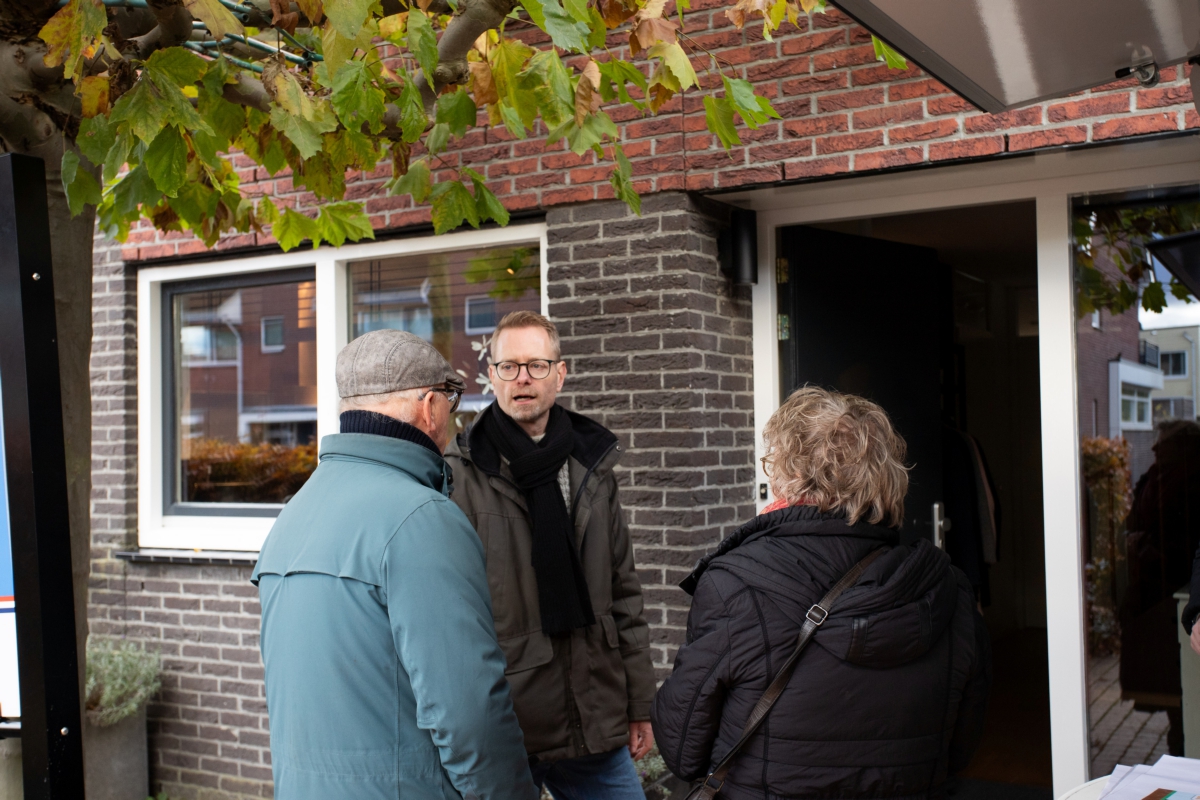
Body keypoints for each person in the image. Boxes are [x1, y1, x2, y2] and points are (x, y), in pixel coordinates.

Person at [650, 386, 991, 799]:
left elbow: (682, 749)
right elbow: (960, 749)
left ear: (785, 472)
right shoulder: (947, 591)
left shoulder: (735, 585)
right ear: (887, 476)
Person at [252, 330, 538, 800]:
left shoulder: (294, 514)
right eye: (451, 398)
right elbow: (469, 712)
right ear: (430, 406)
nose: (454, 414)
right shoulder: (422, 519)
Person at [444, 311, 656, 800]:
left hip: (593, 717)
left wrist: (639, 703)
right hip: (505, 728)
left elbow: (624, 591)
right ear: (491, 376)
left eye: (536, 365)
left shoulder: (593, 465)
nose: (522, 378)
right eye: (509, 366)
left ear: (559, 374)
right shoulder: (459, 474)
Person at [1125, 419, 1200, 754]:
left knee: (1184, 683)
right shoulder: (1153, 477)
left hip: (1179, 594)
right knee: (1171, 687)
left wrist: (1149, 547)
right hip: (1154, 595)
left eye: (1163, 441)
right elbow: (1135, 519)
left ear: (1184, 445)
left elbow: (1186, 542)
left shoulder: (1193, 481)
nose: (1154, 447)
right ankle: (1180, 752)